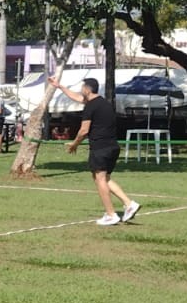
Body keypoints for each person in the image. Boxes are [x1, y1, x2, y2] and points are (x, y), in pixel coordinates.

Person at [48, 76, 140, 226]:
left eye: (82, 87)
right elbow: (77, 98)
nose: (80, 90)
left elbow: (84, 130)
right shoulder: (103, 103)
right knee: (105, 178)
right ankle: (129, 204)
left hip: (100, 147)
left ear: (87, 89)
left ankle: (111, 215)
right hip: (112, 147)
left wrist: (75, 144)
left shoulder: (90, 106)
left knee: (100, 180)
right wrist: (59, 86)